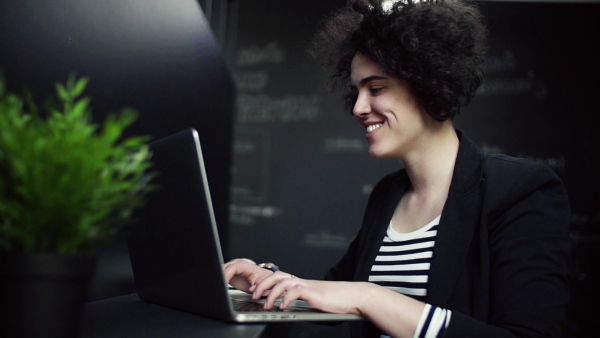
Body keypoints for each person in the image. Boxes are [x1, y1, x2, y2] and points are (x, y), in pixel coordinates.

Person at [224, 1, 572, 337]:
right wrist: (263, 279)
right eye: (356, 91)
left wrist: (369, 297)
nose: (359, 107)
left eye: (376, 88)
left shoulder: (521, 191)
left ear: (431, 87)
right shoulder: (388, 195)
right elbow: (331, 296)